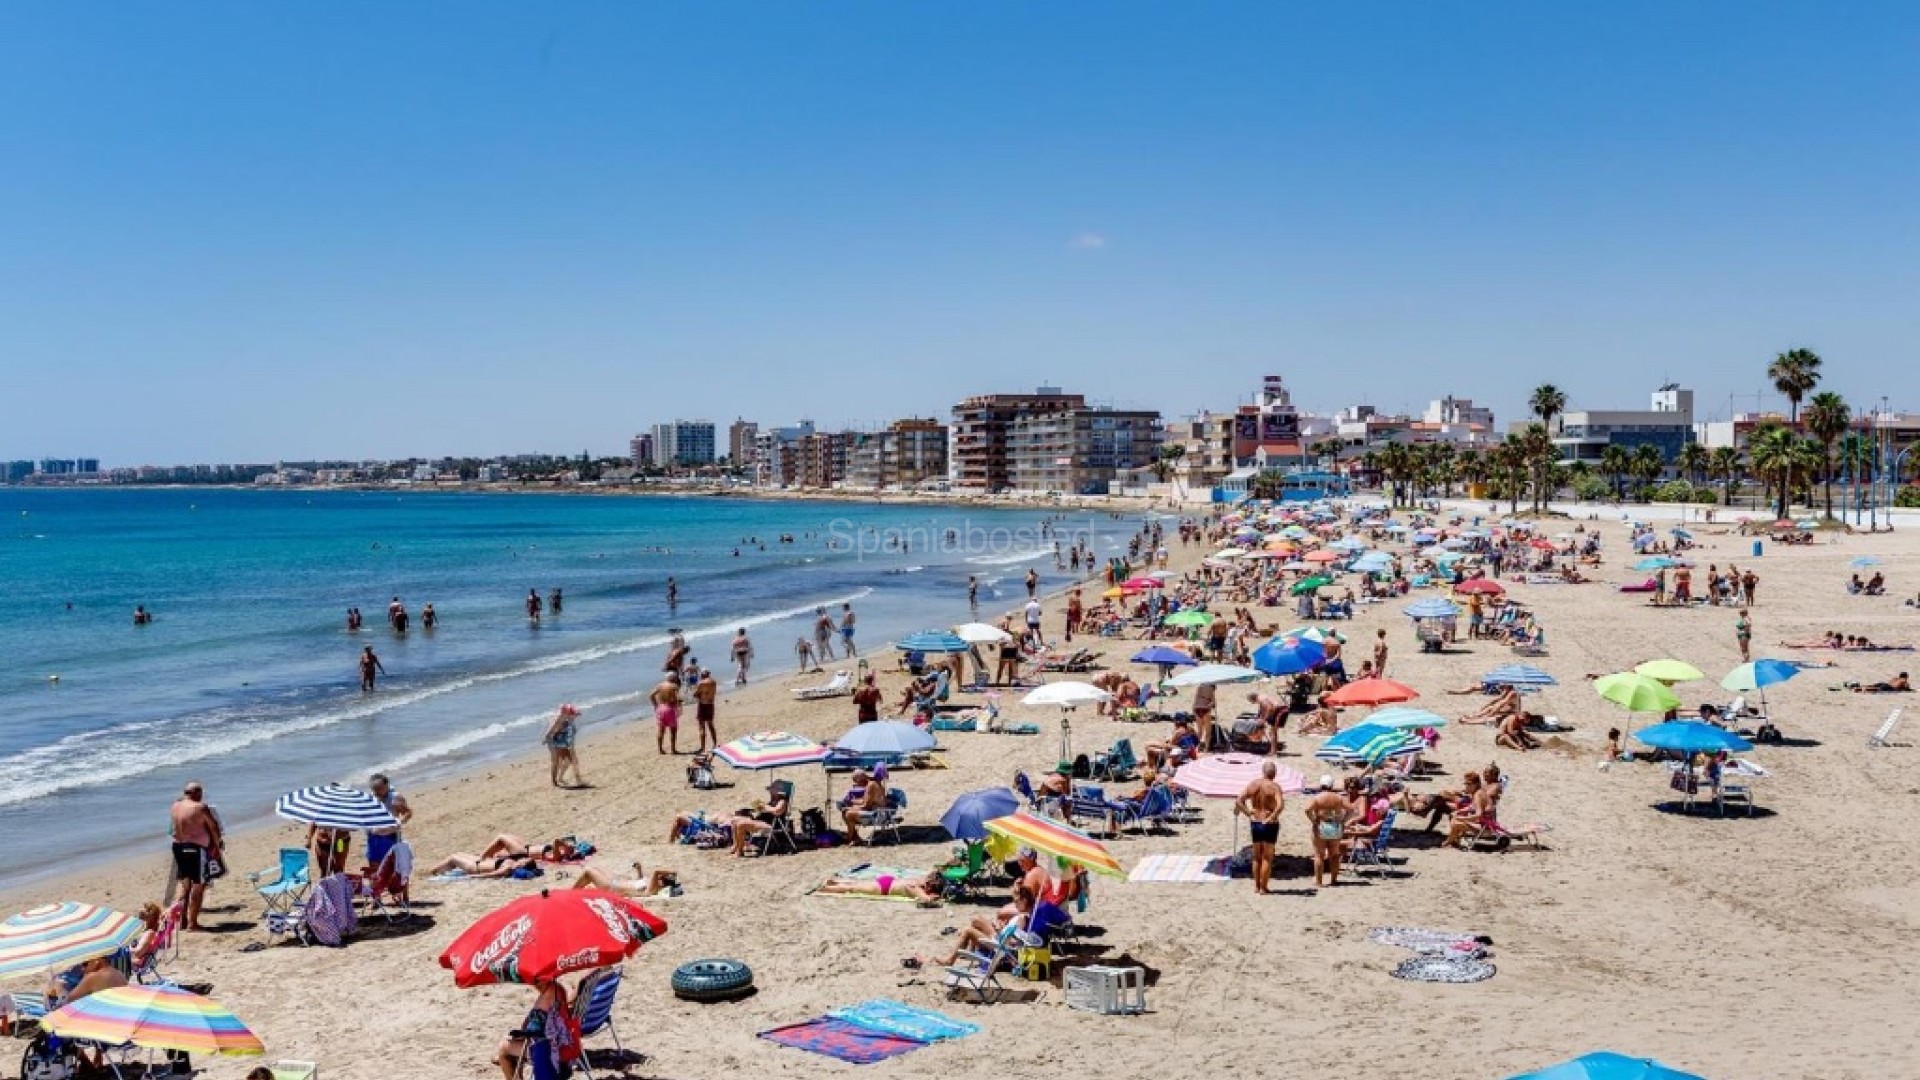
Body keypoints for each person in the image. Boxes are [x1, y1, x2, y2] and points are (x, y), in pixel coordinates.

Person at [169, 782, 223, 931]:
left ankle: (182, 921)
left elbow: (173, 828)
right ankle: (192, 923)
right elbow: (213, 827)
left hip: (178, 847)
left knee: (185, 885)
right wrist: (216, 847)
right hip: (195, 849)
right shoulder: (200, 807)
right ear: (197, 793)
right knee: (198, 886)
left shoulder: (175, 806)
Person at [495, 979, 572, 1080]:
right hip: (562, 1044)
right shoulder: (559, 989)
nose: (532, 984)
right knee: (509, 1045)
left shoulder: (546, 998)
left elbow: (532, 1030)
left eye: (534, 981)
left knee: (503, 1048)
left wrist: (520, 1032)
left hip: (549, 1050)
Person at [1236, 761, 1286, 894]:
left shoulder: (1254, 784)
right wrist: (1271, 817)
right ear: (1274, 773)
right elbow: (1280, 805)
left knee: (1256, 857)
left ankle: (1257, 887)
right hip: (1269, 824)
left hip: (1255, 822)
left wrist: (1248, 814)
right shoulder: (1275, 787)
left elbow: (1239, 800)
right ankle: (1264, 888)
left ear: (1263, 772)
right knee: (1267, 857)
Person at [1304, 777, 1348, 887]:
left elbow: (1307, 810)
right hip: (1335, 826)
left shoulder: (1317, 798)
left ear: (1321, 785)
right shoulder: (1338, 798)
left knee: (1319, 855)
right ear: (1332, 786)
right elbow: (1351, 809)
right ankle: (1334, 880)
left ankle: (1319, 881)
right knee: (1334, 855)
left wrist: (1313, 820)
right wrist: (1343, 820)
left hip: (1322, 825)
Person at [728, 781, 793, 856]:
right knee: (734, 821)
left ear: (778, 791)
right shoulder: (772, 801)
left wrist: (765, 806)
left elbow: (777, 811)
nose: (770, 792)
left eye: (772, 790)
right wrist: (758, 809)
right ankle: (736, 846)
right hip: (762, 821)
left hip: (771, 825)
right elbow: (768, 811)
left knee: (741, 824)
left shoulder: (782, 801)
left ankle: (740, 851)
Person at [818, 868, 942, 905]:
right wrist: (936, 896)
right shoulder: (916, 888)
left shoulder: (920, 880)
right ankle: (826, 888)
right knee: (852, 889)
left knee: (857, 884)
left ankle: (833, 882)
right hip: (884, 888)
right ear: (928, 886)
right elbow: (927, 900)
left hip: (888, 881)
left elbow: (933, 872)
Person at [366, 772, 411, 867]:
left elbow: (407, 813)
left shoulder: (395, 798)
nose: (376, 791)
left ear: (387, 785)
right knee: (373, 863)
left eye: (379, 788)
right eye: (374, 789)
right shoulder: (370, 798)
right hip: (373, 836)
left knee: (390, 862)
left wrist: (400, 822)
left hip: (389, 836)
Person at [573, 860, 677, 897]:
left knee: (588, 872)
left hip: (611, 887)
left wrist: (671, 872)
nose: (658, 877)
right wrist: (639, 870)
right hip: (613, 883)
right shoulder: (650, 885)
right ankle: (573, 893)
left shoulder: (654, 889)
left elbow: (656, 871)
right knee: (594, 869)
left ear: (663, 882)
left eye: (661, 877)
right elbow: (639, 883)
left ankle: (570, 893)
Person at [841, 768, 888, 846]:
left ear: (861, 779)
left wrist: (853, 807)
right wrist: (852, 802)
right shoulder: (873, 783)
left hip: (877, 815)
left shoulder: (871, 786)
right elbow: (865, 801)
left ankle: (849, 838)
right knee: (845, 811)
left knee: (848, 814)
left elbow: (866, 805)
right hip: (878, 812)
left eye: (856, 781)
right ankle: (855, 838)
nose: (856, 784)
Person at [543, 704, 586, 788]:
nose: (576, 716)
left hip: (565, 744)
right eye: (574, 714)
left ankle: (561, 779)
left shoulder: (568, 722)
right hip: (558, 744)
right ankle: (557, 781)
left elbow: (569, 736)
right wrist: (547, 738)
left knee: (570, 761)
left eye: (576, 714)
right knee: (558, 762)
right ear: (567, 714)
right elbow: (551, 731)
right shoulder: (561, 721)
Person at [651, 673, 682, 754]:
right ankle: (673, 750)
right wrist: (679, 708)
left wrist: (655, 705)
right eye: (675, 678)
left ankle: (660, 749)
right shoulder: (674, 686)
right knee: (673, 731)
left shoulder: (660, 685)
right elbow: (678, 698)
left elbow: (651, 695)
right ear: (674, 678)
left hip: (660, 708)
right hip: (670, 708)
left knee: (661, 730)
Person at [693, 669, 719, 751]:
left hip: (702, 705)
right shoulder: (714, 682)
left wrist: (697, 694)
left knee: (702, 727)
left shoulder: (701, 683)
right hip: (710, 704)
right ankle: (714, 744)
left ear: (703, 674)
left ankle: (703, 747)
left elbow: (696, 694)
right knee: (711, 725)